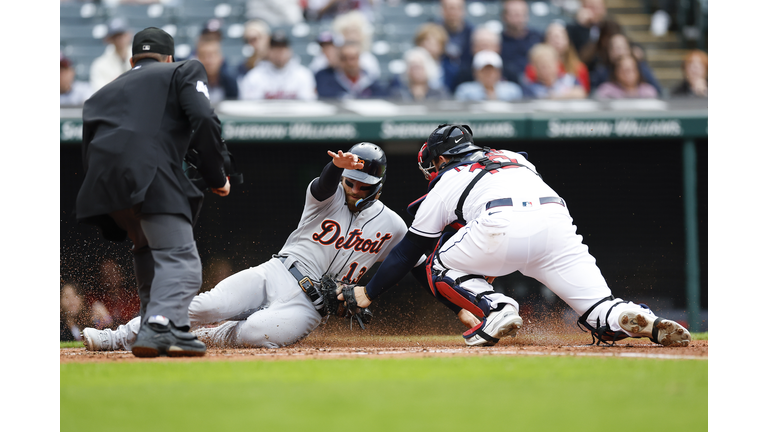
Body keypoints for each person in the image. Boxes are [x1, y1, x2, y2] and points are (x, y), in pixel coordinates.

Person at [339, 124, 692, 348]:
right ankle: (634, 318)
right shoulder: (511, 157)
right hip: (556, 223)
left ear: (442, 158)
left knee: (439, 265)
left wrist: (368, 292)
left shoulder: (447, 179)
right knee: (598, 305)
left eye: (433, 163)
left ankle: (496, 307)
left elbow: (409, 250)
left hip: (500, 222)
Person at [82, 144, 419, 351]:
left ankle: (213, 337)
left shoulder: (393, 226)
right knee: (206, 305)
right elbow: (324, 182)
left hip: (311, 307)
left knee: (257, 333)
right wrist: (336, 167)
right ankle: (116, 338)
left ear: (378, 187)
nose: (354, 190)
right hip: (278, 272)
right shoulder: (327, 198)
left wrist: (368, 291)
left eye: (362, 186)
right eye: (351, 183)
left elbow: (407, 260)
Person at [75, 27, 232, 358]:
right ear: (170, 57)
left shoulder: (103, 91)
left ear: (132, 60)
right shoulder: (184, 70)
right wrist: (216, 173)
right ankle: (158, 323)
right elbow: (203, 117)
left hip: (104, 185)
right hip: (149, 174)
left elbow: (90, 147)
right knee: (182, 262)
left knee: (148, 252)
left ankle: (167, 329)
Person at [239, 30, 317, 100]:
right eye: (275, 48)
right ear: (268, 51)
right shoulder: (254, 76)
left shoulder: (303, 75)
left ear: (289, 50)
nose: (279, 52)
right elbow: (250, 108)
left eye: (282, 48)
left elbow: (308, 106)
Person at [524, 22, 590, 93]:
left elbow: (584, 93)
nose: (557, 41)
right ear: (546, 40)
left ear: (567, 40)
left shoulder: (578, 69)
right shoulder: (532, 68)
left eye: (560, 37)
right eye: (553, 38)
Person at [450, 25, 518, 93]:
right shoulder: (463, 75)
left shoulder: (510, 74)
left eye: (488, 45)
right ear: (473, 48)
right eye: (481, 45)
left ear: (498, 47)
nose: (485, 49)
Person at [590, 33, 663, 95]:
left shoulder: (642, 69)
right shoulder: (602, 73)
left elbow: (658, 91)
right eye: (616, 48)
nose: (620, 52)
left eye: (623, 47)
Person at [315, 42, 388, 99]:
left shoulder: (371, 80)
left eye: (353, 58)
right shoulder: (326, 79)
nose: (350, 63)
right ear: (339, 60)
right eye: (345, 59)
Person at [520, 43, 586, 99]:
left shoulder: (569, 80)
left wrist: (558, 96)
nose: (546, 69)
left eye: (549, 64)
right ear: (534, 68)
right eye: (542, 66)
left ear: (557, 64)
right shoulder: (530, 88)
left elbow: (581, 93)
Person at [500, 0, 543, 85]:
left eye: (521, 14)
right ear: (504, 16)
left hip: (536, 84)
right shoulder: (498, 41)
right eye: (514, 14)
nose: (518, 18)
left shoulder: (537, 38)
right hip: (508, 85)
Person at [454, 50, 523, 101]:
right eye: (484, 71)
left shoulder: (513, 91)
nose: (489, 75)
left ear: (499, 72)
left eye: (492, 71)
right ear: (475, 72)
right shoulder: (465, 91)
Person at [331, 10, 381, 80]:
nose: (351, 36)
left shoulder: (369, 60)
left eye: (355, 32)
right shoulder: (331, 57)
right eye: (348, 32)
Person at [438, 0, 474, 93]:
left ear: (463, 10)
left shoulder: (472, 33)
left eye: (457, 8)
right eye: (449, 8)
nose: (453, 12)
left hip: (467, 77)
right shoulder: (434, 31)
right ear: (442, 10)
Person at [89, 17, 132, 91]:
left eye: (121, 35)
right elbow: (99, 92)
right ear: (108, 39)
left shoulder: (139, 57)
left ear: (129, 35)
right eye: (115, 36)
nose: (119, 39)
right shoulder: (99, 65)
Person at [593, 54, 659, 99]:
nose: (627, 74)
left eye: (631, 70)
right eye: (624, 70)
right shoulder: (606, 91)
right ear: (616, 72)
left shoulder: (648, 91)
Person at [196, 38, 239, 104]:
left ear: (220, 58)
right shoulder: (191, 83)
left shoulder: (230, 82)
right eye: (203, 56)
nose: (208, 61)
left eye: (211, 56)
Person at [413, 23, 451, 92]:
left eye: (433, 43)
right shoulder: (411, 67)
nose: (428, 46)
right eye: (425, 42)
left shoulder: (449, 70)